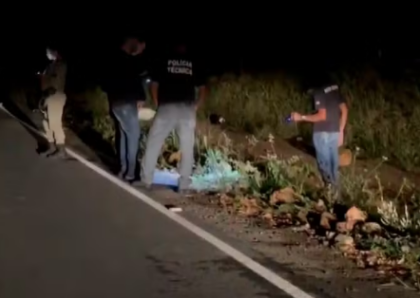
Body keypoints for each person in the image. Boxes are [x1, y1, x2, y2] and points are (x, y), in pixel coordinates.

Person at [141, 41, 206, 192]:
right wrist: (196, 105)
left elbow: (154, 84)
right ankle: (183, 185)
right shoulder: (193, 62)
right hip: (186, 108)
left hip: (167, 106)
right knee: (187, 147)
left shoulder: (164, 60)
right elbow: (203, 87)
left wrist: (158, 103)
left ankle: (146, 180)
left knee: (154, 142)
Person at [101, 34, 146, 184]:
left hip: (115, 103)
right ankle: (131, 173)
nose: (140, 52)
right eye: (140, 48)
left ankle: (122, 169)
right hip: (127, 103)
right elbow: (135, 81)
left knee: (123, 135)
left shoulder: (111, 59)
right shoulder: (128, 61)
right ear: (134, 42)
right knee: (133, 136)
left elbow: (105, 85)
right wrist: (141, 97)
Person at [290, 83, 348, 188]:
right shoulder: (334, 89)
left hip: (322, 133)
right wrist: (341, 130)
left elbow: (322, 116)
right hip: (334, 131)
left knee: (324, 165)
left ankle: (329, 190)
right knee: (333, 164)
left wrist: (301, 117)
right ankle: (337, 192)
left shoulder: (319, 91)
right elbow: (344, 110)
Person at [38, 46, 68, 159]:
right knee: (46, 123)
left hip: (55, 96)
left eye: (49, 52)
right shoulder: (50, 65)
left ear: (56, 52)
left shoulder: (60, 65)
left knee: (54, 123)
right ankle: (50, 146)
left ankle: (61, 149)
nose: (48, 54)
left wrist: (45, 81)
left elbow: (55, 81)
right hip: (47, 96)